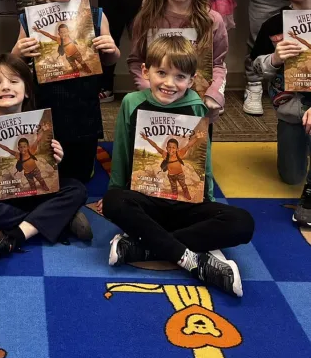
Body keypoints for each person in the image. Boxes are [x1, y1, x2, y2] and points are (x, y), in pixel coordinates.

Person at [102, 36, 255, 298]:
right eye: (161, 72)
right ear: (145, 71)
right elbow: (123, 151)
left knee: (242, 222)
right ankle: (193, 260)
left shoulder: (196, 106)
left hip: (186, 204)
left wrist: (207, 199)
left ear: (191, 80)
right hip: (146, 201)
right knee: (114, 201)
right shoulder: (131, 102)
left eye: (180, 76)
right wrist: (116, 193)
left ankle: (143, 247)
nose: (169, 83)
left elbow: (203, 158)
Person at [0, 54, 91, 268]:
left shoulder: (41, 122)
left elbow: (56, 173)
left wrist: (58, 158)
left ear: (27, 90)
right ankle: (60, 220)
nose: (5, 87)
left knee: (77, 189)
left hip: (35, 194)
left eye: (13, 81)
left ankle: (10, 236)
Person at [12, 0, 119, 182]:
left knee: (81, 165)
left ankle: (83, 165)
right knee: (49, 151)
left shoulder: (97, 16)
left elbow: (110, 60)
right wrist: (20, 52)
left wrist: (111, 49)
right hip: (47, 97)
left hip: (84, 98)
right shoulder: (28, 19)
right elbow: (15, 62)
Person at [127, 0, 227, 124]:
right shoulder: (146, 20)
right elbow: (136, 61)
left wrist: (214, 94)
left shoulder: (213, 20)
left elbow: (217, 64)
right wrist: (148, 89)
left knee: (196, 150)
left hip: (197, 106)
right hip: (156, 105)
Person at [251, 0, 311, 225]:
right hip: (293, 108)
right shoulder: (274, 25)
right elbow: (256, 68)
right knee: (291, 176)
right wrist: (274, 59)